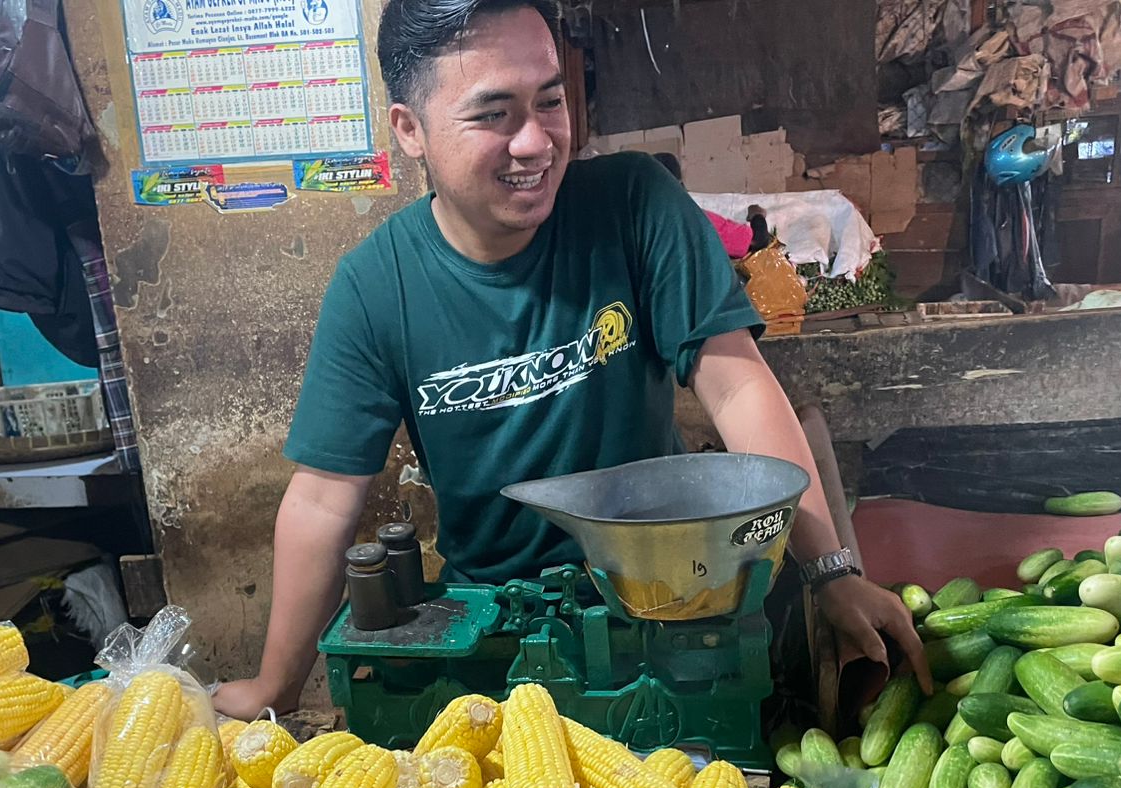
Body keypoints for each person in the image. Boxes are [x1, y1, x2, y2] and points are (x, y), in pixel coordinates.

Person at [214, 0, 928, 720]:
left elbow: (739, 389)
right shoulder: (375, 288)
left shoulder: (634, 205)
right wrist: (275, 687)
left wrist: (831, 572)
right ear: (410, 130)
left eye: (549, 101)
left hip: (674, 606)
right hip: (489, 638)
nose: (536, 142)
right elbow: (319, 500)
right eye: (494, 115)